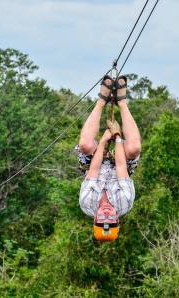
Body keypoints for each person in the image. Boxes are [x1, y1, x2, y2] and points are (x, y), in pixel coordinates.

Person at [77, 75, 141, 241]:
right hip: (119, 168)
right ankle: (122, 102)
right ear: (117, 220)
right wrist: (117, 136)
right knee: (134, 149)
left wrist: (104, 141)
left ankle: (101, 100)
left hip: (94, 166)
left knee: (85, 145)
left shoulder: (87, 203)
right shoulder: (124, 203)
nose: (106, 213)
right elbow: (121, 167)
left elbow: (94, 169)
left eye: (102, 218)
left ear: (95, 219)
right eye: (110, 219)